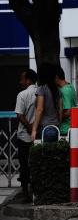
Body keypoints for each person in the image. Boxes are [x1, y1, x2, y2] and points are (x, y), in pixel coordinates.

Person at [14, 69, 38, 199]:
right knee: (36, 164)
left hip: (24, 135)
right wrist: (34, 128)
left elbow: (19, 114)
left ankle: (25, 193)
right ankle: (36, 191)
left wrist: (29, 128)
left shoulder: (22, 95)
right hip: (38, 135)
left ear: (28, 80)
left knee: (24, 165)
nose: (20, 82)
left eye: (22, 79)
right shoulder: (40, 93)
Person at [31, 62, 61, 143]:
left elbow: (40, 109)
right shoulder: (57, 90)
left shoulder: (42, 89)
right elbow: (60, 109)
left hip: (45, 128)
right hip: (56, 128)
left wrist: (34, 129)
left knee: (45, 154)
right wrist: (59, 123)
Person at [55, 66, 77, 136]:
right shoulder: (70, 86)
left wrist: (56, 119)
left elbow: (68, 112)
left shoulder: (64, 91)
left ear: (56, 77)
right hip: (71, 126)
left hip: (65, 129)